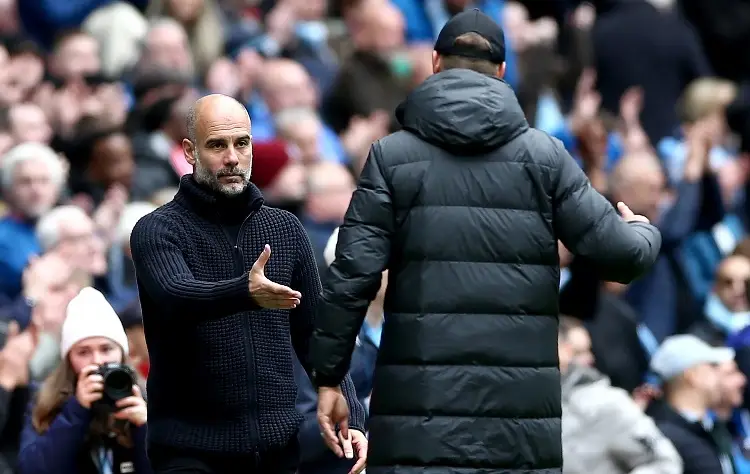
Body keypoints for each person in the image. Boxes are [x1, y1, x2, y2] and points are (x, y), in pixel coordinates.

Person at [308, 9, 662, 473]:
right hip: (518, 428)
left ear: (435, 62)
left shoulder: (391, 157)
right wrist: (641, 228)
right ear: (502, 71)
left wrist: (329, 379)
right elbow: (623, 259)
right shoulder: (545, 157)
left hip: (418, 422)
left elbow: (352, 275)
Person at [129, 94, 366, 474]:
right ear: (189, 152)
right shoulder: (157, 230)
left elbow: (316, 332)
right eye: (217, 145)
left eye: (242, 143)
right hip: (189, 452)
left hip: (276, 451)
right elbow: (176, 294)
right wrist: (244, 291)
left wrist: (350, 410)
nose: (232, 158)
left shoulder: (285, 229)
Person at [17, 287, 150, 474]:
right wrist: (76, 411)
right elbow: (33, 469)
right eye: (84, 352)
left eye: (106, 349)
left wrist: (144, 429)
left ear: (122, 353)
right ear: (69, 359)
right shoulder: (46, 401)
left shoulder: (147, 397)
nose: (97, 360)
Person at [558, 317, 682, 474]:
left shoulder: (605, 403)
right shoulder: (522, 408)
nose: (590, 359)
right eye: (578, 352)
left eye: (586, 351)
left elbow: (665, 464)